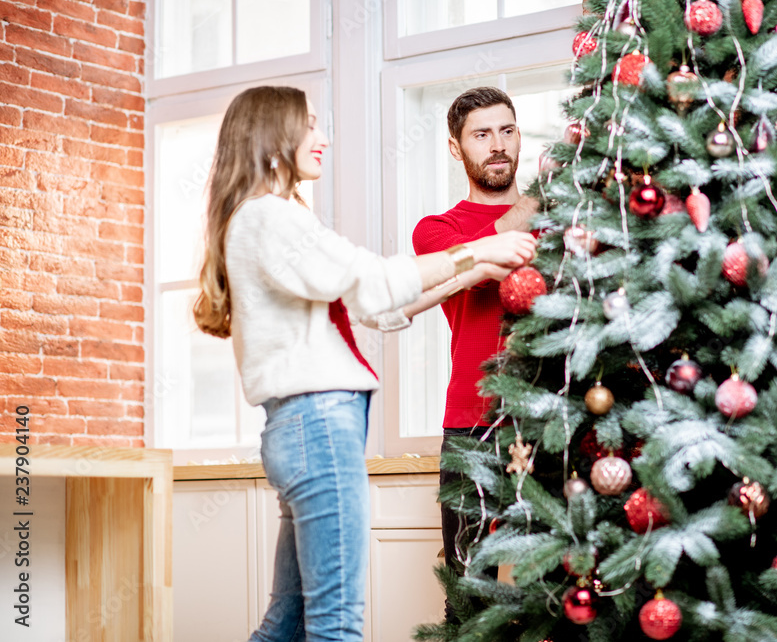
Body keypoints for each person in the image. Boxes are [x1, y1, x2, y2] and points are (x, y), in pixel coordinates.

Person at [192, 85, 536, 642]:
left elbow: (374, 307)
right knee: (335, 624)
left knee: (288, 618)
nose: (323, 138)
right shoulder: (270, 219)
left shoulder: (264, 219)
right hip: (318, 425)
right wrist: (478, 252)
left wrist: (471, 270)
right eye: (309, 126)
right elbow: (372, 282)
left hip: (306, 427)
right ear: (273, 138)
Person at [410, 86, 540, 622]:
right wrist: (544, 198)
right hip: (473, 426)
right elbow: (488, 247)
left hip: (551, 420)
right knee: (469, 593)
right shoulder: (438, 231)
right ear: (454, 147)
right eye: (481, 134)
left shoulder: (552, 219)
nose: (497, 145)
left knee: (560, 587)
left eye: (507, 131)